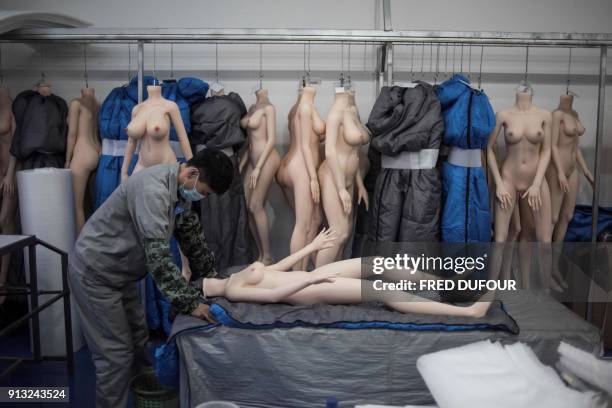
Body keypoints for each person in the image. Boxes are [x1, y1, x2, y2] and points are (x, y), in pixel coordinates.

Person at [68, 149, 233, 408]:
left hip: (121, 273)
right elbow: (158, 259)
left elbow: (191, 237)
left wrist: (212, 277)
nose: (202, 196)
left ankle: (144, 399)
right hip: (96, 273)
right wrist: (191, 303)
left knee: (137, 340)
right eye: (205, 191)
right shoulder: (152, 190)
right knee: (115, 355)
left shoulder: (181, 190)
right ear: (192, 173)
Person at [201, 229, 493, 318]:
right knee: (380, 290)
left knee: (375, 264)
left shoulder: (234, 274)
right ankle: (470, 313)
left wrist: (311, 247)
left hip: (306, 277)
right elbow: (274, 294)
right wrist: (311, 279)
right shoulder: (231, 290)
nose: (209, 277)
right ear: (207, 289)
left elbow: (275, 268)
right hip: (306, 290)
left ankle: (448, 288)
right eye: (204, 282)